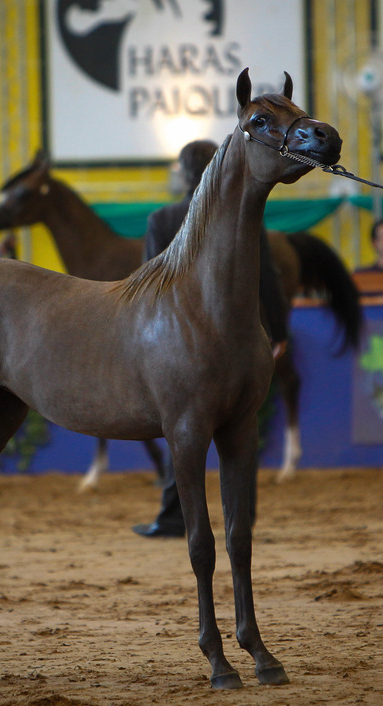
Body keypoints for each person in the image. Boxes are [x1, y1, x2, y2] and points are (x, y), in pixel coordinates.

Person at [132, 139, 288, 538]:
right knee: (240, 431)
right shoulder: (241, 216)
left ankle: (172, 517)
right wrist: (277, 332)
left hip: (178, 344)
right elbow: (265, 279)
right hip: (237, 343)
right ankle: (242, 519)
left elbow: (150, 288)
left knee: (181, 431)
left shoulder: (162, 218)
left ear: (185, 173)